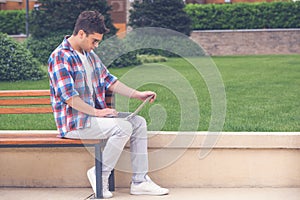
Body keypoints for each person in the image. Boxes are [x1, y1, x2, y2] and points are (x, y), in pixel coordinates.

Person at [48, 10, 169, 198]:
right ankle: (99, 174)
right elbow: (68, 97)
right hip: (75, 123)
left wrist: (137, 94)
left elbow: (108, 80)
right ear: (81, 34)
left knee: (139, 123)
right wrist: (97, 113)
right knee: (122, 127)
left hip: (93, 119)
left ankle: (140, 181)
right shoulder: (60, 57)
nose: (95, 46)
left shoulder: (89, 55)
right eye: (94, 41)